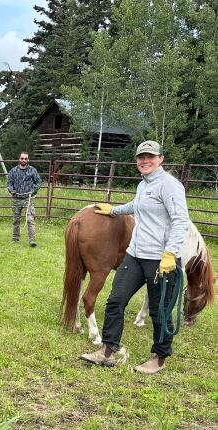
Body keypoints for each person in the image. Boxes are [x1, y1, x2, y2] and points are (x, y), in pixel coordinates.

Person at [80, 140, 189, 375]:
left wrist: (170, 252)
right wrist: (114, 210)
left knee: (159, 310)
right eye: (141, 157)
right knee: (115, 300)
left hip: (161, 260)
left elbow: (181, 220)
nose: (145, 160)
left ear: (161, 159)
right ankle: (107, 351)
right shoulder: (144, 185)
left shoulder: (170, 186)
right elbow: (137, 205)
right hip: (136, 254)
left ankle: (159, 357)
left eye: (150, 156)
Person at [6, 151, 41, 247]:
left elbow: (38, 182)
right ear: (19, 159)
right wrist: (11, 190)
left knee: (30, 219)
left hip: (28, 199)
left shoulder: (33, 170)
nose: (24, 160)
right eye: (22, 158)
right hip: (16, 199)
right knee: (15, 220)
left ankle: (32, 240)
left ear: (28, 160)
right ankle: (15, 237)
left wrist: (33, 191)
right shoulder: (13, 171)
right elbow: (9, 183)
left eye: (26, 158)